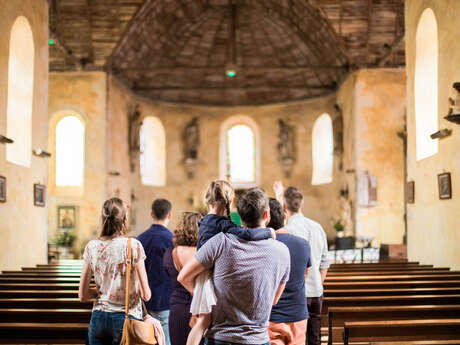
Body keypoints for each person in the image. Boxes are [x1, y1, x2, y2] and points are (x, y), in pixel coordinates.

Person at [179, 187, 290, 345]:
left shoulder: (220, 242)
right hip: (257, 339)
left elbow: (183, 276)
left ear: (240, 216)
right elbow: (273, 300)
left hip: (220, 338)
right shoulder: (283, 252)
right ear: (267, 215)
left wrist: (206, 298)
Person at [79, 197, 151, 345]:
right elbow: (146, 294)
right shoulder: (133, 245)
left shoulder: (91, 246)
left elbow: (82, 295)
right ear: (124, 219)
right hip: (125, 317)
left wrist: (102, 291)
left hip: (98, 318)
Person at [273, 182, 329, 345]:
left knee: (298, 338)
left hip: (298, 295)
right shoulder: (317, 227)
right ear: (302, 203)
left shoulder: (288, 231)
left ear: (284, 206)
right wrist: (318, 284)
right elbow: (325, 261)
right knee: (314, 337)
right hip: (317, 292)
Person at [267, 198, 312, 345]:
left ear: (265, 219)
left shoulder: (264, 247)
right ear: (285, 216)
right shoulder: (303, 244)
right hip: (297, 313)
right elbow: (306, 274)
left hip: (272, 316)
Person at [138, 198, 174, 345]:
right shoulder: (172, 240)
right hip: (165, 301)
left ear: (151, 214)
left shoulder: (140, 239)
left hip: (144, 304)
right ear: (169, 215)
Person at [163, 212, 202, 345]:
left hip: (177, 309)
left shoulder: (170, 253)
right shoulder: (205, 253)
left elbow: (168, 272)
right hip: (200, 309)